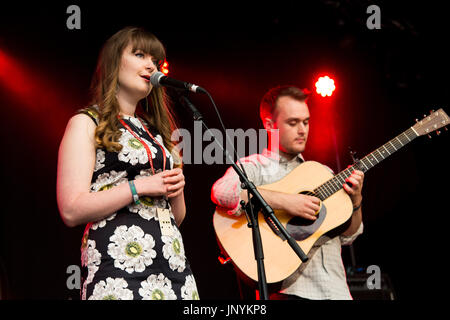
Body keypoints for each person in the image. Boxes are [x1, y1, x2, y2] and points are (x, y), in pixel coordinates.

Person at [57, 26, 199, 300]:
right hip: (118, 270)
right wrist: (140, 187)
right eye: (139, 54)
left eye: (155, 61)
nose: (151, 65)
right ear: (113, 63)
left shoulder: (158, 134)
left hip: (173, 267)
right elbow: (71, 209)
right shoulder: (86, 123)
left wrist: (176, 189)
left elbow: (176, 218)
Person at [211, 85, 364, 300]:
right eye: (293, 122)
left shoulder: (322, 172)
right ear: (270, 125)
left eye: (306, 122)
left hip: (337, 291)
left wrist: (356, 200)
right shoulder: (254, 166)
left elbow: (349, 236)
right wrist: (285, 201)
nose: (302, 130)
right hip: (289, 292)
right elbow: (223, 192)